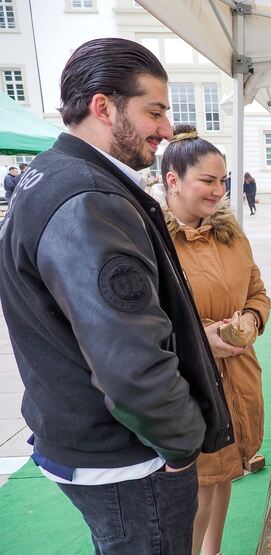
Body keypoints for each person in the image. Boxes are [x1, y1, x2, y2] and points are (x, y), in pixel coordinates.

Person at [0, 38, 233, 553]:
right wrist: (180, 444)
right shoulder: (89, 198)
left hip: (89, 436)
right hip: (126, 455)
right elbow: (129, 361)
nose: (167, 130)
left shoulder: (50, 176)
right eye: (154, 111)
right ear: (103, 107)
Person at [154, 124, 270, 555]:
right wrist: (200, 338)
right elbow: (141, 324)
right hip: (189, 384)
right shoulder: (152, 241)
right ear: (172, 180)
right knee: (197, 485)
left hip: (238, 375)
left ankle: (213, 551)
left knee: (227, 473)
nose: (219, 190)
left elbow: (258, 291)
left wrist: (253, 321)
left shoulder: (232, 235)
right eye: (207, 180)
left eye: (223, 180)